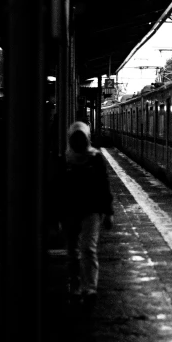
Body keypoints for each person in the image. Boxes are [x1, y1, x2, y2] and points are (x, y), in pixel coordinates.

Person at [63, 121, 114, 308]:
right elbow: (59, 188)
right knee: (72, 253)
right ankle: (75, 286)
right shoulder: (65, 159)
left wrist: (108, 213)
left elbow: (104, 186)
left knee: (88, 248)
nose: (78, 141)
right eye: (75, 138)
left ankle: (90, 288)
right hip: (70, 211)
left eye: (81, 138)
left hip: (92, 211)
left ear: (87, 139)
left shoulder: (95, 158)